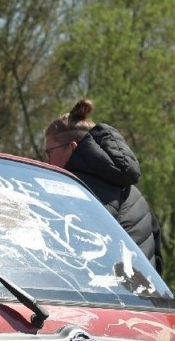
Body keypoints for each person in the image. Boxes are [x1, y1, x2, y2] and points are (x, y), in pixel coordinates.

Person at [41, 98, 163, 270]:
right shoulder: (136, 196)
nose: (47, 161)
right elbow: (156, 259)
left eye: (49, 152)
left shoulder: (72, 193)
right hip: (142, 295)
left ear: (73, 147)